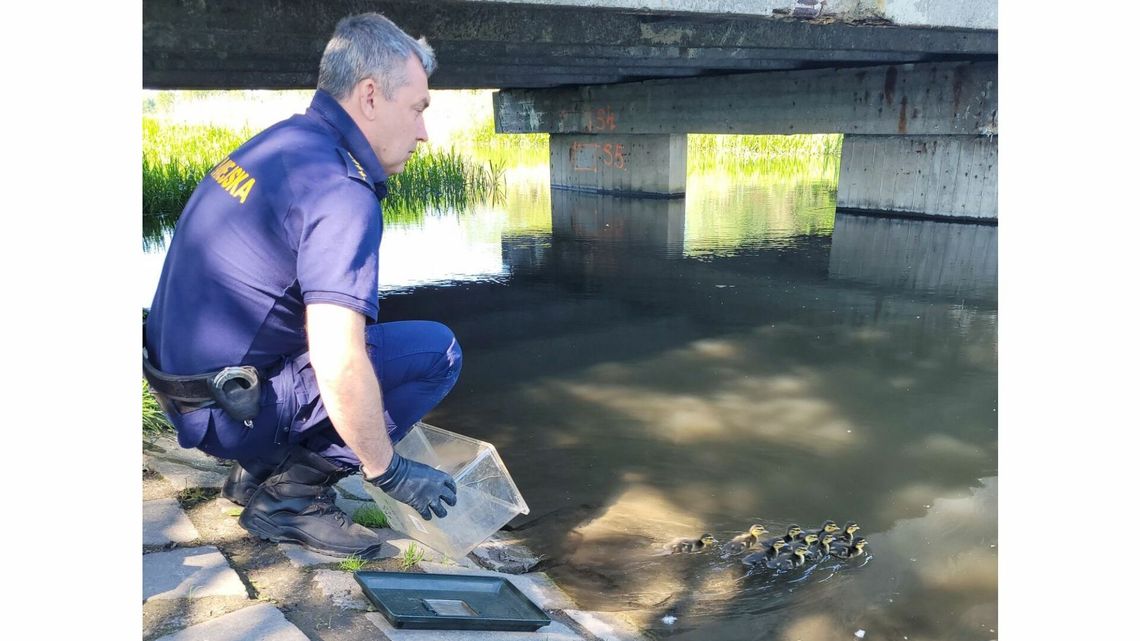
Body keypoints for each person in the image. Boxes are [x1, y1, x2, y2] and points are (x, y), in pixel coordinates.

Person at [144, 13, 462, 560]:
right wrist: (389, 472)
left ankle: (257, 471)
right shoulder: (341, 191)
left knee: (336, 319)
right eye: (417, 109)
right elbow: (338, 361)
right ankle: (294, 499)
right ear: (369, 97)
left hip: (187, 388)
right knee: (437, 351)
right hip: (226, 410)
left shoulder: (283, 142)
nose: (422, 133)